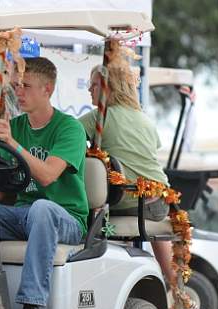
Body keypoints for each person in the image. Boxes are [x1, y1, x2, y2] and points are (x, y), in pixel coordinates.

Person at [0, 57, 89, 309]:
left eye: (26, 86)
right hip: (22, 214)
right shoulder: (17, 126)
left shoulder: (69, 128)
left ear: (47, 89)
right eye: (17, 85)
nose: (18, 92)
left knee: (43, 209)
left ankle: (34, 305)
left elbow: (47, 175)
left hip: (65, 218)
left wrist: (11, 143)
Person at [78, 49, 177, 287]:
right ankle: (174, 283)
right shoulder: (144, 119)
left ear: (107, 88)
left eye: (93, 85)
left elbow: (65, 139)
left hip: (129, 202)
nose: (89, 90)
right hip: (161, 203)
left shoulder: (98, 118)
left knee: (83, 213)